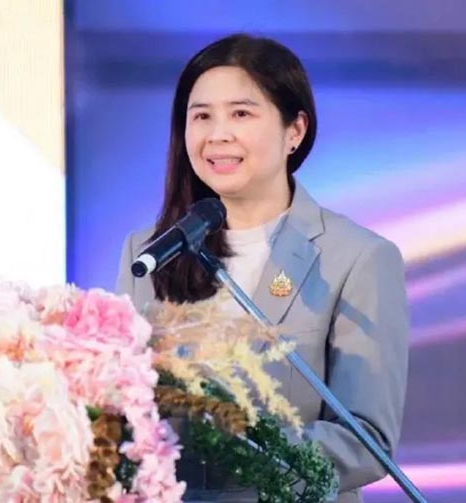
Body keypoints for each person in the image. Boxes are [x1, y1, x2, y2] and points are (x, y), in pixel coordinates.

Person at [115, 34, 409, 503]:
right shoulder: (149, 251)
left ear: (295, 131)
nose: (218, 134)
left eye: (241, 114)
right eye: (202, 116)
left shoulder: (357, 257)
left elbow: (366, 440)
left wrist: (237, 455)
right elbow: (122, 401)